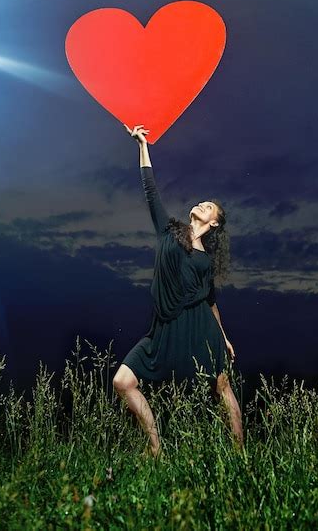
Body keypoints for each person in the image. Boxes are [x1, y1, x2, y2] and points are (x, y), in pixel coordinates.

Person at [112, 124, 244, 458]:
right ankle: (155, 447)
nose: (202, 205)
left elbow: (211, 300)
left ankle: (240, 453)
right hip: (164, 326)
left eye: (209, 207)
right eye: (203, 202)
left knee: (221, 386)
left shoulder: (205, 260)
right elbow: (150, 191)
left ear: (214, 223)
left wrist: (224, 336)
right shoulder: (169, 232)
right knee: (123, 382)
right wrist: (143, 146)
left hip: (201, 325)